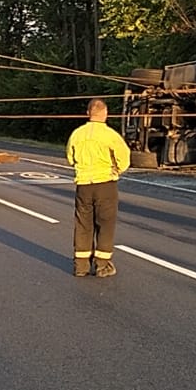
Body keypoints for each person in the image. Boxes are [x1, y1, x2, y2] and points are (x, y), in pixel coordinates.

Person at [66, 98, 131, 277]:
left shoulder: (77, 134)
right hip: (105, 184)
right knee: (105, 224)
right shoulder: (111, 135)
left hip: (83, 185)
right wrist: (116, 170)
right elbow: (124, 159)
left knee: (83, 224)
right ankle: (102, 265)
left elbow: (71, 159)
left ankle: (81, 266)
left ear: (88, 113)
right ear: (106, 113)